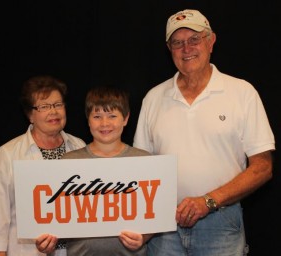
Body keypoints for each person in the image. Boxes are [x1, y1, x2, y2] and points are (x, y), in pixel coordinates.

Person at [133, 9, 275, 256]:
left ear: (211, 41)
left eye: (194, 39)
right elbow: (141, 168)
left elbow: (263, 167)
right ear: (169, 49)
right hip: (163, 226)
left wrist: (209, 201)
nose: (186, 48)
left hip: (221, 223)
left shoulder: (242, 93)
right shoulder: (153, 98)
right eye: (177, 43)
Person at [36, 86, 153, 256]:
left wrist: (144, 237)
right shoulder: (68, 163)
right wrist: (47, 241)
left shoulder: (144, 161)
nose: (104, 123)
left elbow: (155, 217)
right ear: (88, 120)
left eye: (112, 116)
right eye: (97, 116)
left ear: (126, 118)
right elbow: (56, 219)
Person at [0, 75, 86, 256]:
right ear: (30, 115)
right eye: (44, 107)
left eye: (58, 104)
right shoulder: (8, 154)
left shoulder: (80, 147)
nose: (53, 112)